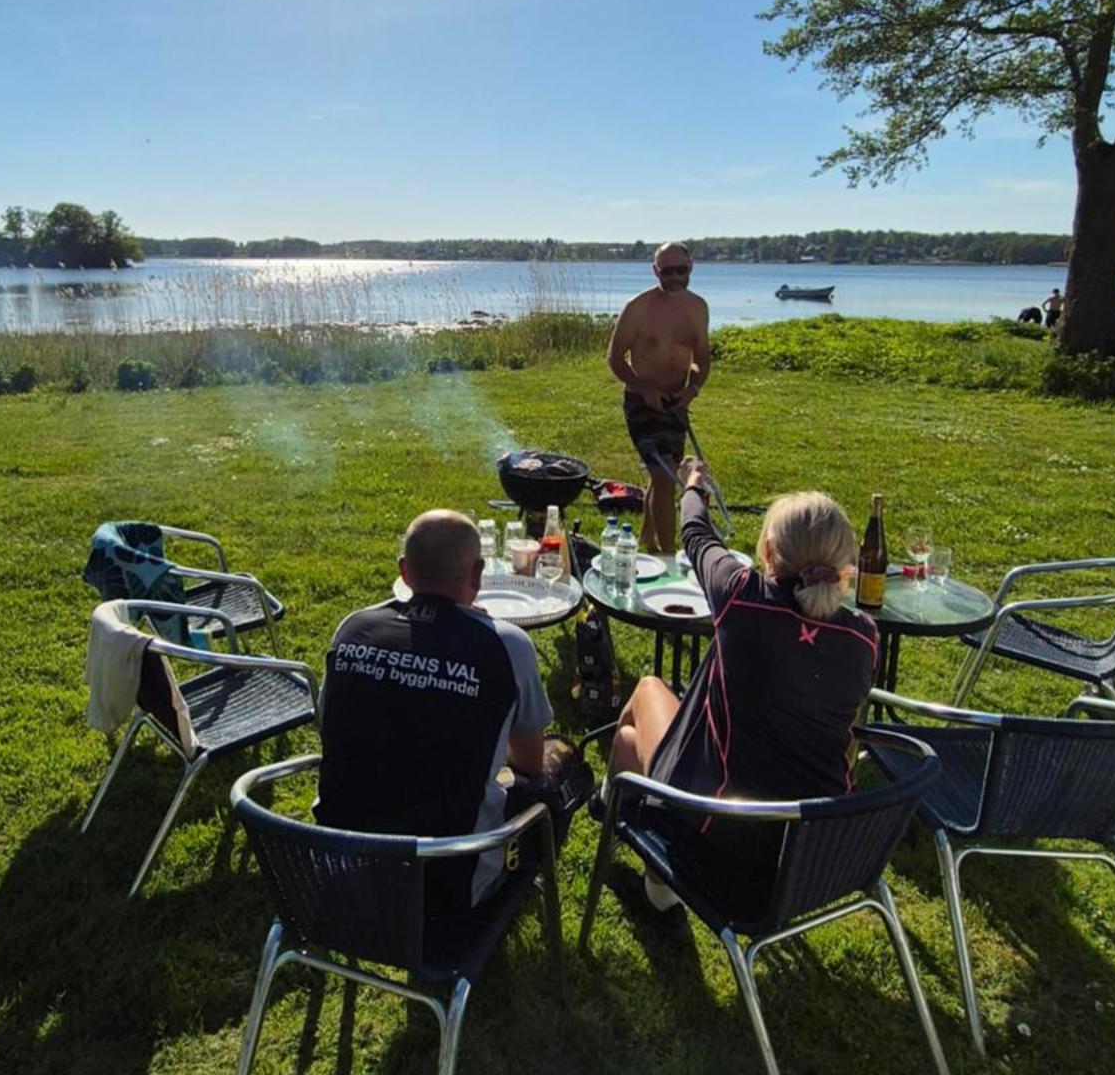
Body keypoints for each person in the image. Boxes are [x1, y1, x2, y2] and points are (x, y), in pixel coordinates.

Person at [606, 464, 877, 912]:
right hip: (812, 854)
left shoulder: (742, 596)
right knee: (628, 741)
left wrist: (694, 485)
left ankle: (646, 869)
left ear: (768, 552)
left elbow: (696, 532)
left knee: (649, 690)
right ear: (845, 565)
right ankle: (617, 817)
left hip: (724, 844)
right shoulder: (864, 636)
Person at [317, 510, 592, 919]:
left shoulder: (353, 629)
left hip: (340, 870)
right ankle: (519, 876)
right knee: (564, 763)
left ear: (404, 572)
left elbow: (330, 725)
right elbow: (531, 762)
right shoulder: (507, 646)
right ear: (477, 575)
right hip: (446, 888)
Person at [606, 242, 711, 554]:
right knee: (665, 476)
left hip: (675, 404)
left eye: (682, 270)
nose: (676, 277)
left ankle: (645, 542)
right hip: (641, 403)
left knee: (662, 476)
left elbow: (702, 361)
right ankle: (668, 556)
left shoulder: (698, 307)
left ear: (691, 267)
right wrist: (644, 389)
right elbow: (614, 359)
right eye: (668, 271)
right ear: (656, 271)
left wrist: (691, 391)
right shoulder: (638, 307)